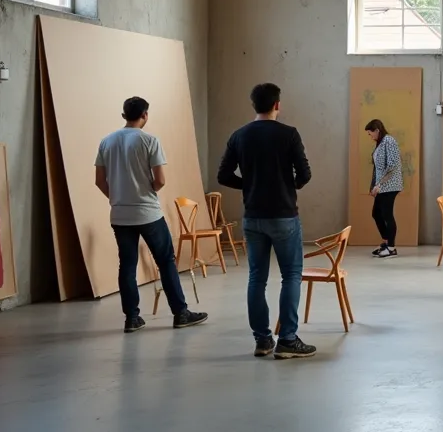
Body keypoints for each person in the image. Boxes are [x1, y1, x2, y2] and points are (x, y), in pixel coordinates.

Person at [217, 83, 315, 360]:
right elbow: (305, 174)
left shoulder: (239, 136)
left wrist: (249, 184)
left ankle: (262, 341)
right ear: (277, 105)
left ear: (254, 105)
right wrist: (288, 185)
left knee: (256, 279)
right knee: (291, 275)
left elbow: (223, 175)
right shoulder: (288, 134)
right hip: (284, 215)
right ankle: (288, 340)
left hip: (253, 217)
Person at [94, 97, 208, 334]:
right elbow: (161, 180)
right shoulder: (149, 140)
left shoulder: (106, 142)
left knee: (126, 264)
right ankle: (180, 313)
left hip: (120, 215)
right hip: (148, 213)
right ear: (145, 115)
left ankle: (132, 319)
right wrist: (146, 192)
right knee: (165, 261)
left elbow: (99, 181)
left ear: (124, 114)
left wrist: (116, 197)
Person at [365, 119, 403, 259]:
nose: (370, 137)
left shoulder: (389, 141)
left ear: (377, 130)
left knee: (387, 215)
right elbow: (377, 168)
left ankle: (391, 248)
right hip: (382, 185)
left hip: (390, 185)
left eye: (370, 134)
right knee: (376, 213)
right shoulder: (380, 143)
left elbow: (392, 165)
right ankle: (386, 243)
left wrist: (379, 184)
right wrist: (373, 186)